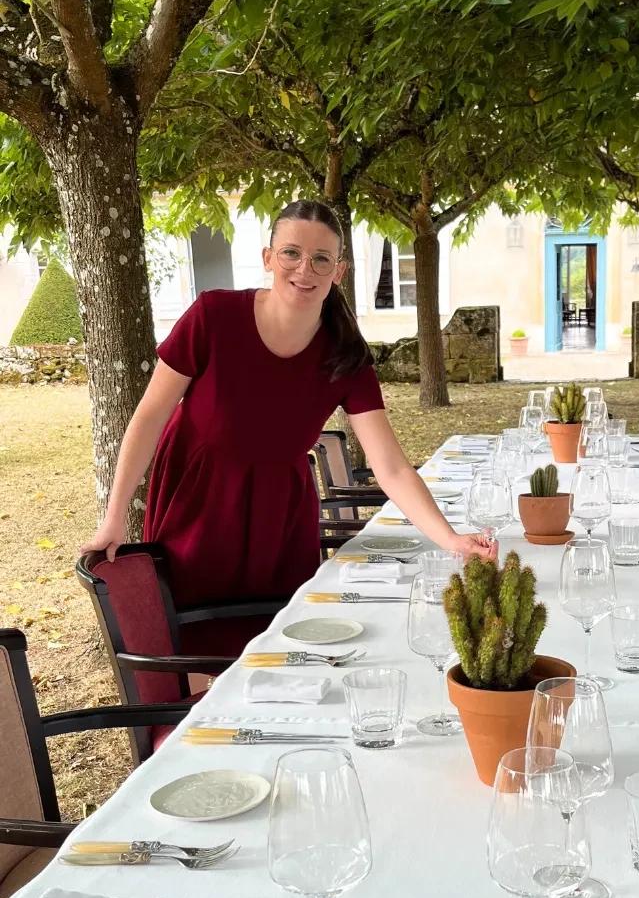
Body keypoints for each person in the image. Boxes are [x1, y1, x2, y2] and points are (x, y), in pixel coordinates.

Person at [81, 199, 496, 632]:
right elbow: (149, 417)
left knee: (282, 638)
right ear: (268, 258)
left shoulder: (346, 356)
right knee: (196, 633)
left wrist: (450, 539)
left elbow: (390, 467)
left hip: (280, 516)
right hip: (198, 500)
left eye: (321, 259)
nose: (304, 270)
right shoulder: (212, 316)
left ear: (339, 271)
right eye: (291, 253)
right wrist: (113, 518)